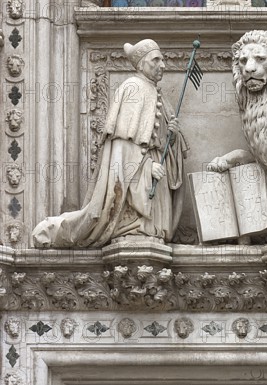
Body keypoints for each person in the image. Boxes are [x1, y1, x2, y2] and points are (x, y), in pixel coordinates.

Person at [32, 39, 189, 248]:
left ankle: (150, 230)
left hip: (156, 173)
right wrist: (148, 168)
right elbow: (123, 146)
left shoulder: (157, 93)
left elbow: (162, 143)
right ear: (142, 63)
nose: (163, 65)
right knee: (134, 227)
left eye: (163, 60)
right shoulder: (132, 88)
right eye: (156, 60)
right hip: (143, 172)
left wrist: (174, 137)